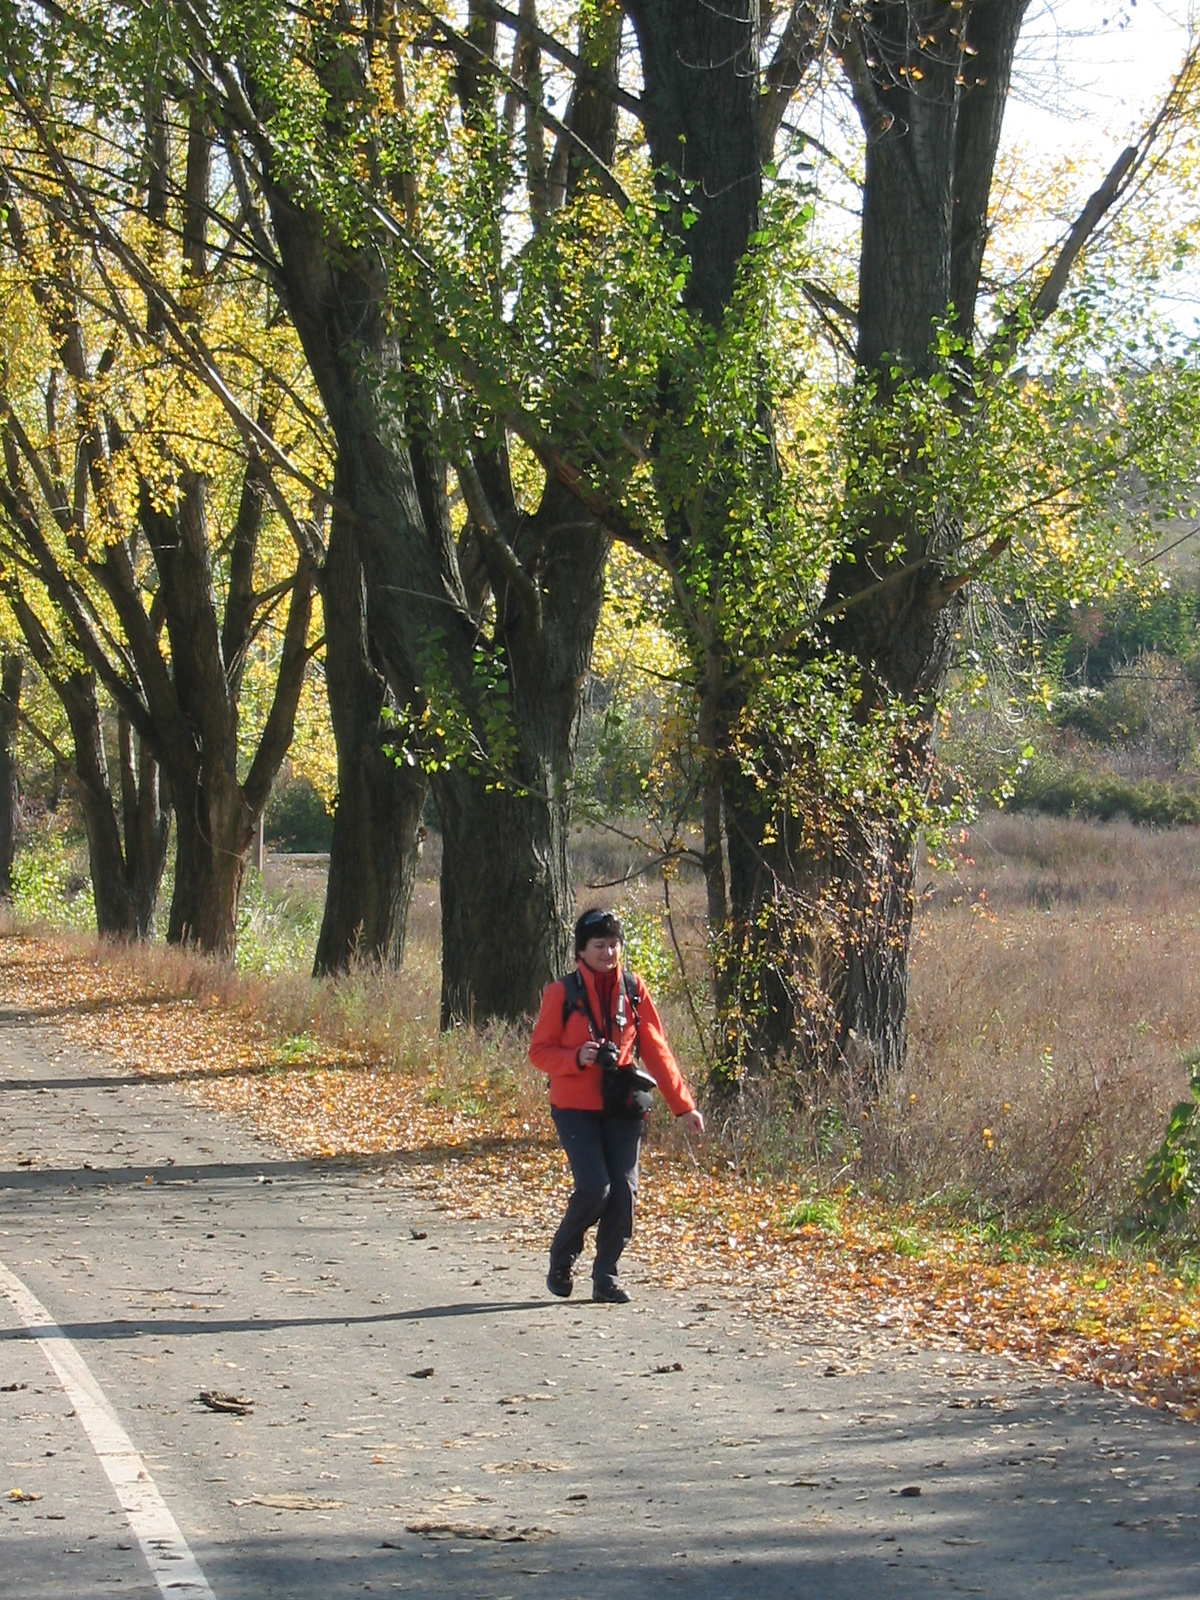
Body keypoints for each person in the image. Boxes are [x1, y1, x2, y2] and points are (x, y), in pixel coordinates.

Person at [529, 907, 705, 1304]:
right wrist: (577, 1057)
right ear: (581, 950)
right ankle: (563, 1255)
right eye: (599, 946)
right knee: (595, 1188)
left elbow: (657, 1051)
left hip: (623, 1102)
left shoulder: (634, 988)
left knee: (624, 1192)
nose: (608, 953)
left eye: (613, 945)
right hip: (575, 1106)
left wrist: (684, 1106)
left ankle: (605, 1276)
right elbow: (539, 1052)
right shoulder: (561, 993)